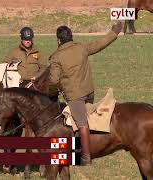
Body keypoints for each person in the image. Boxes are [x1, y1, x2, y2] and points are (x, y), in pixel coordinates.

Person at [48, 22, 122, 165]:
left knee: (81, 123)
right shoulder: (81, 48)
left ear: (58, 40)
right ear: (71, 37)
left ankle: (86, 157)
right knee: (87, 120)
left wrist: (52, 92)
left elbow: (53, 81)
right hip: (89, 92)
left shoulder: (56, 57)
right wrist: (114, 32)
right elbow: (99, 44)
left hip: (75, 96)